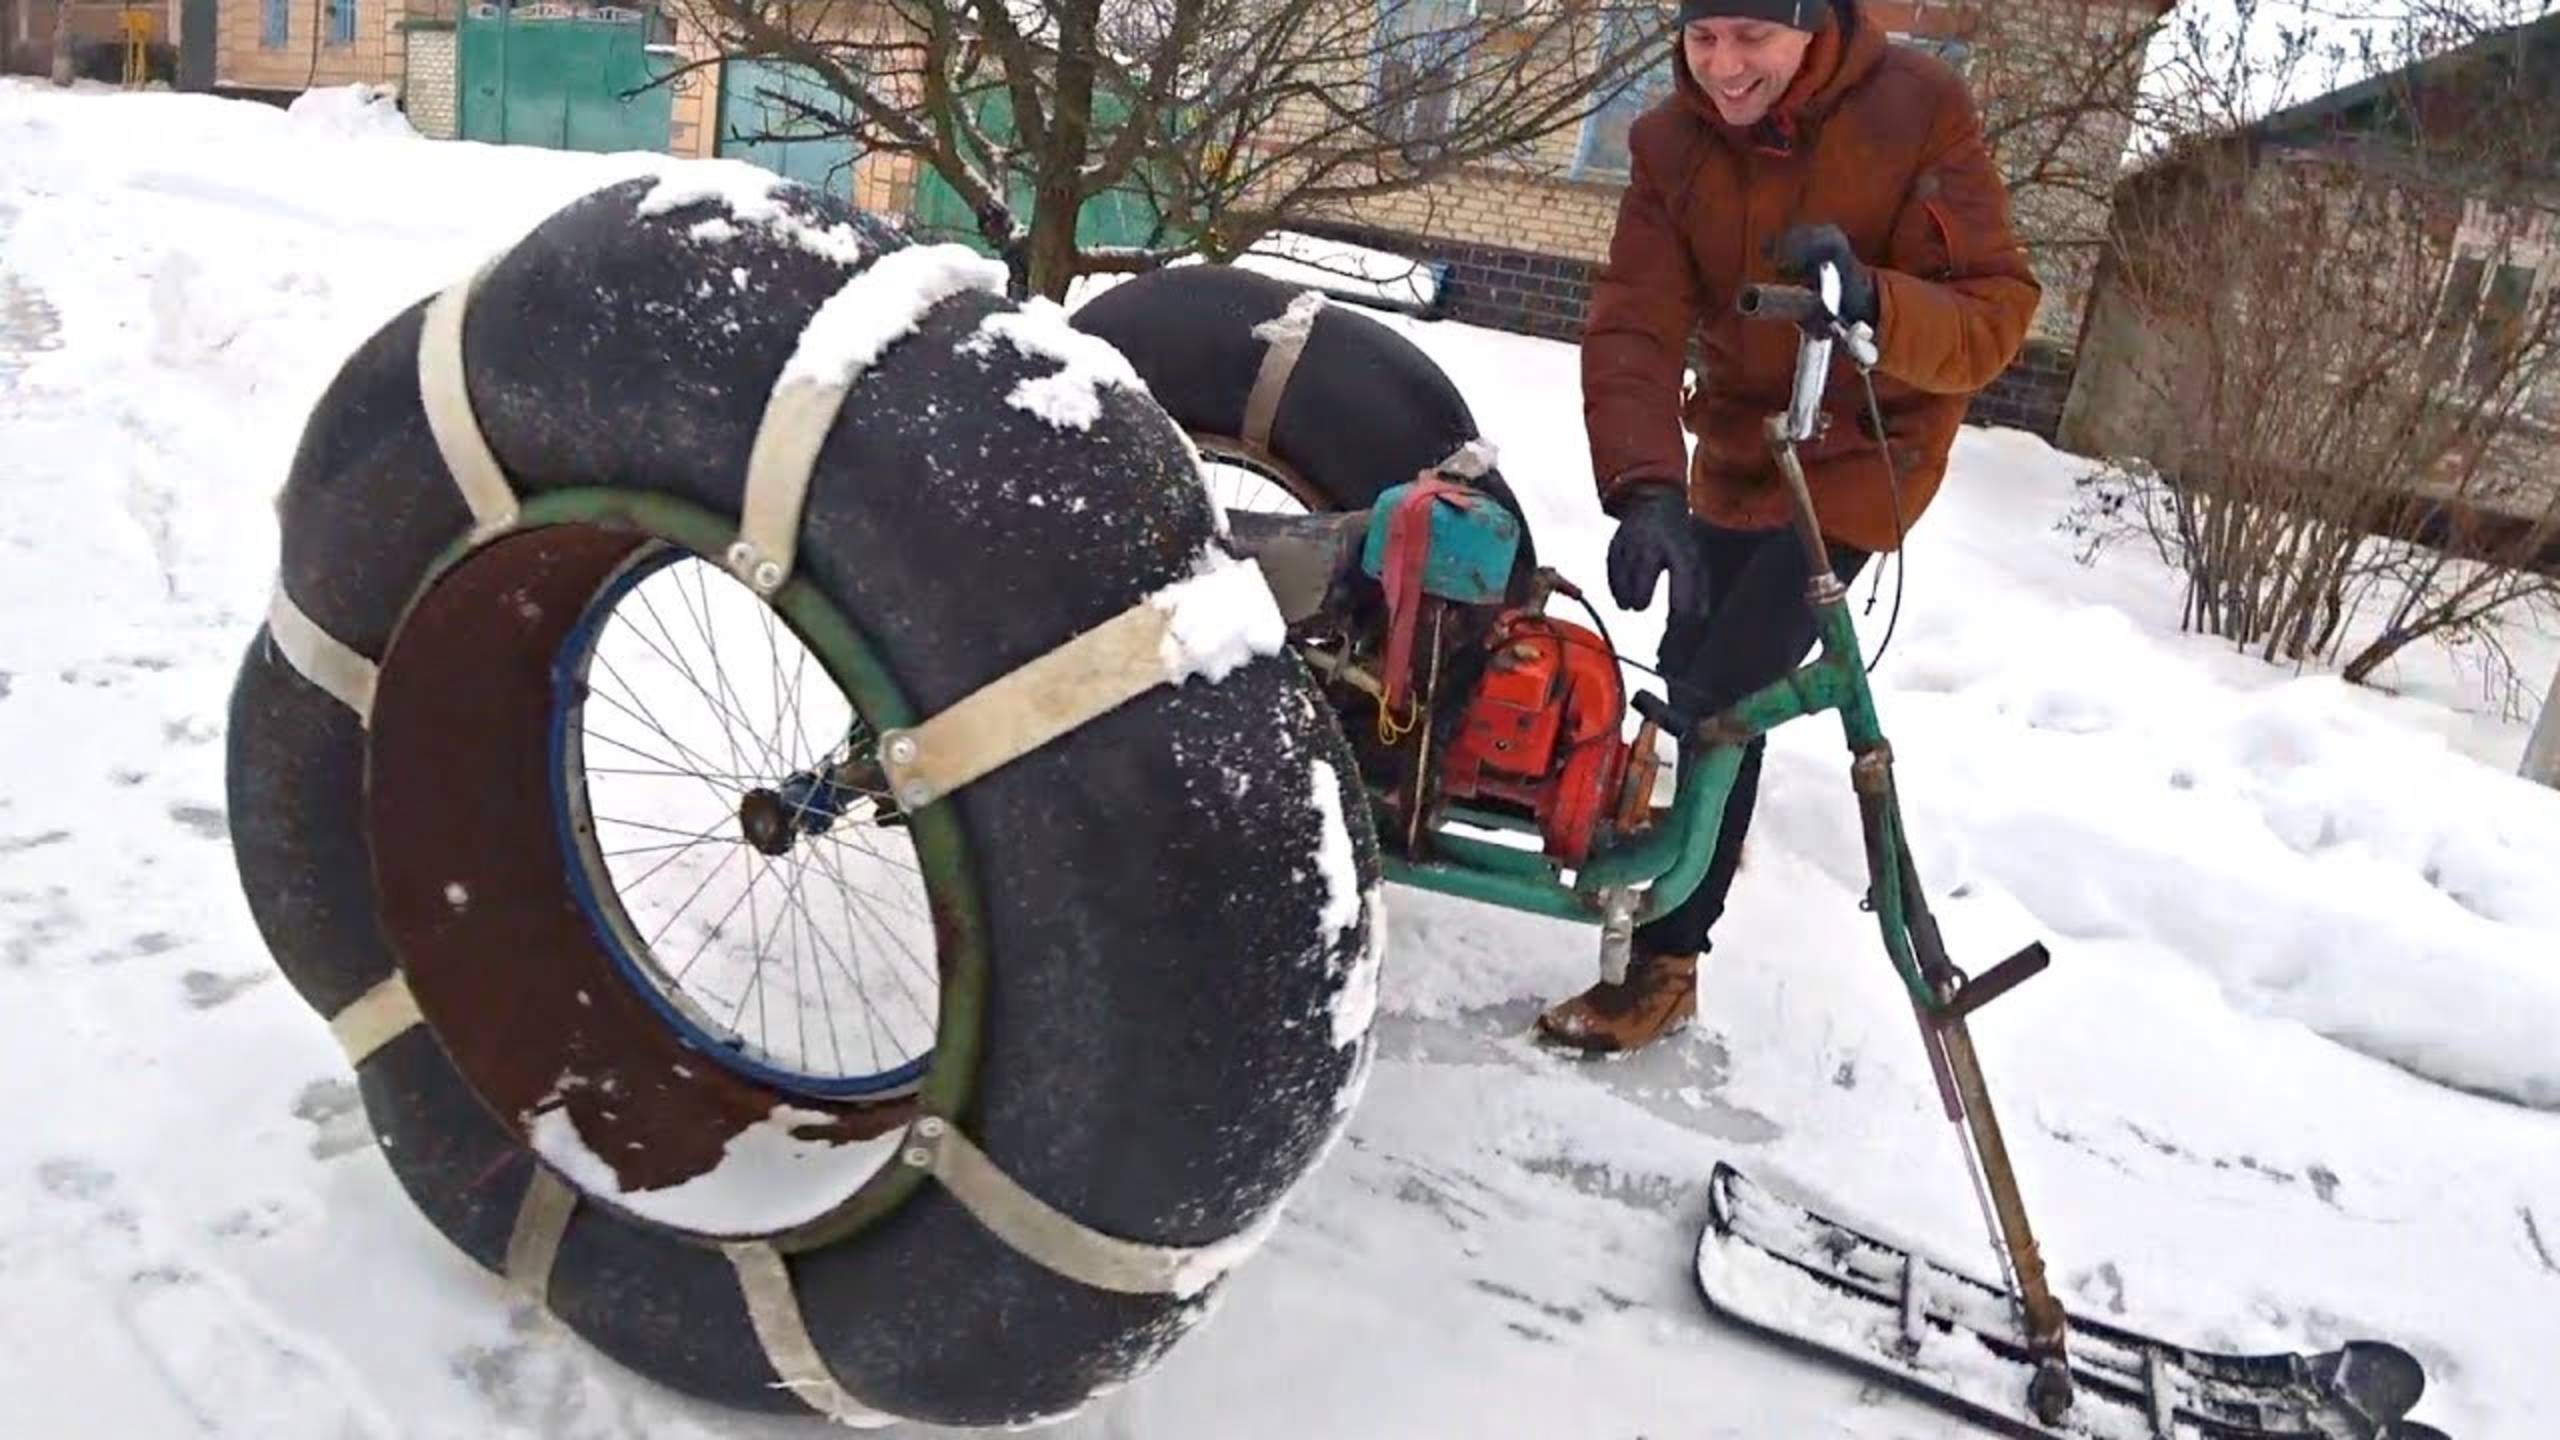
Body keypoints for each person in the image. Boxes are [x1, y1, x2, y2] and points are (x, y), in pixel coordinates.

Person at [1536, 0, 2040, 1053]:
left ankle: (1666, 961)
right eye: (1702, 36)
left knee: (1733, 680)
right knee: (1696, 667)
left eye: (1752, 37)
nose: (1722, 67)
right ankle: (1683, 873)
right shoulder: (1667, 143)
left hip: (1865, 454)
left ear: (1814, 27)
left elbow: (1994, 313)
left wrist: (1868, 301)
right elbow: (1633, 316)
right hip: (1739, 446)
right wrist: (1644, 489)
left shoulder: (1916, 109)